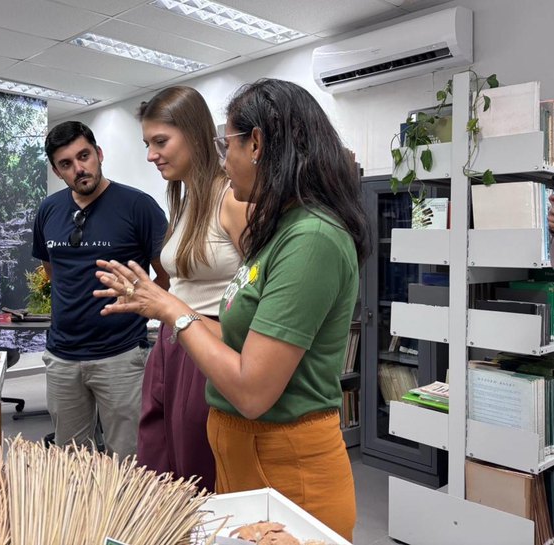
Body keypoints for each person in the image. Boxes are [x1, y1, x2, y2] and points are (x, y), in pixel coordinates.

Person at [94, 79, 370, 541]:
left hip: (285, 469)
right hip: (248, 463)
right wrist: (160, 305)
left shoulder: (311, 238)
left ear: (257, 144)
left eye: (229, 144)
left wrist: (174, 311)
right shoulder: (281, 233)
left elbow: (252, 390)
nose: (224, 159)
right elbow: (242, 337)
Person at [33, 120, 168, 460]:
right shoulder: (49, 210)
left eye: (84, 156)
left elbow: (166, 278)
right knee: (72, 461)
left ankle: (133, 515)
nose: (79, 168)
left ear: (99, 153)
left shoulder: (138, 206)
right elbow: (52, 270)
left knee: (132, 459)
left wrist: (137, 298)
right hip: (63, 357)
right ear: (56, 170)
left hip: (120, 355)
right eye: (66, 163)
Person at [135, 86, 248, 491]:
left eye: (160, 141)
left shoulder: (232, 201)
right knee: (160, 463)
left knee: (198, 468)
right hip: (172, 343)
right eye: (148, 143)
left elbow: (260, 292)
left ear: (195, 135)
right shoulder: (184, 202)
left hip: (209, 342)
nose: (151, 154)